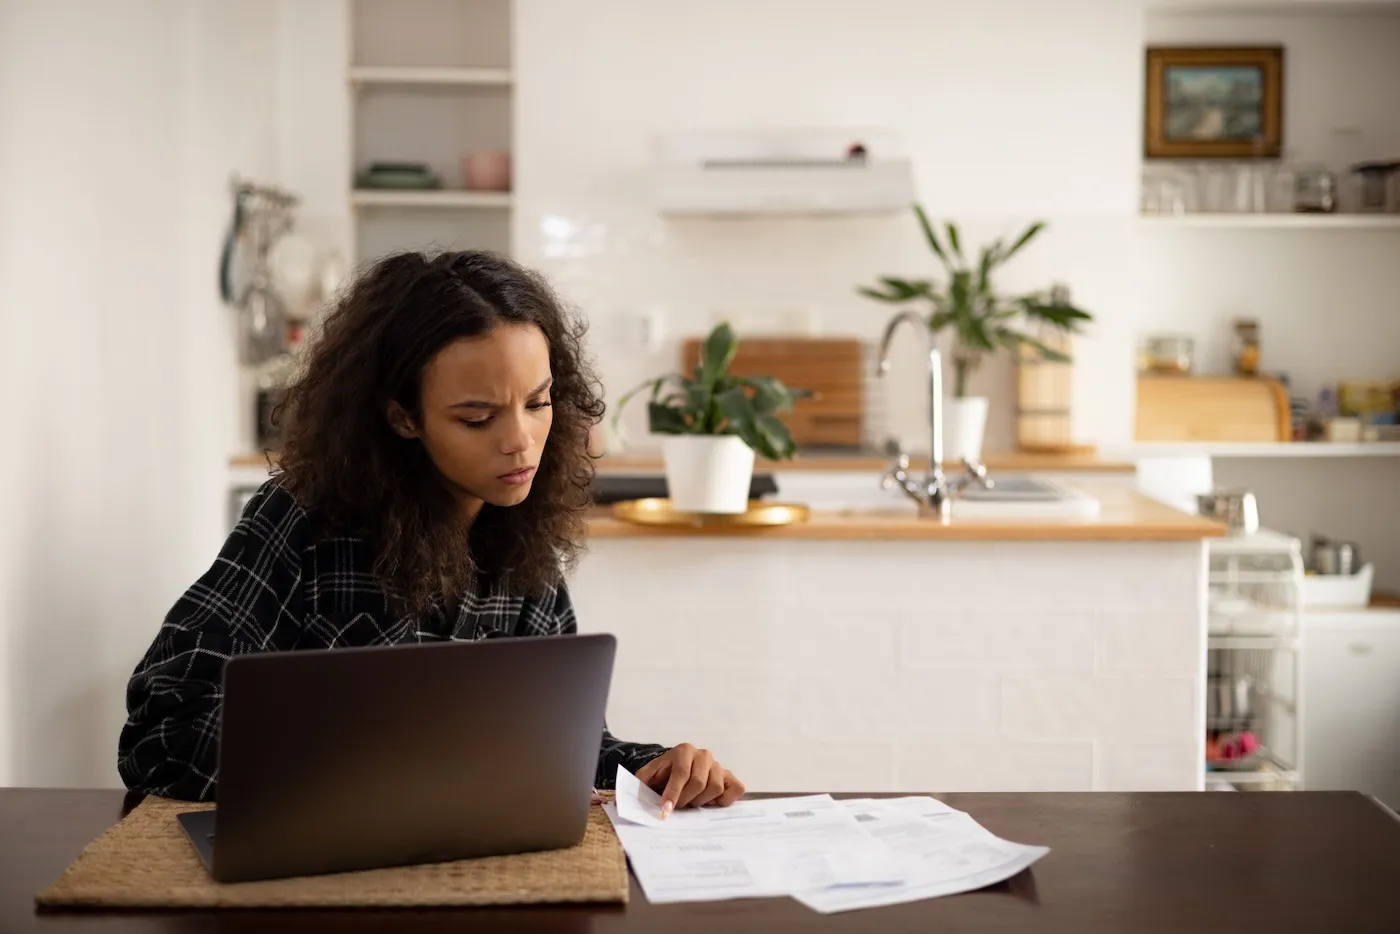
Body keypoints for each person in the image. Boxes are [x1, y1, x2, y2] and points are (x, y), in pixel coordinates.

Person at [118, 249, 744, 814]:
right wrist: (357, 756)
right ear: (402, 417)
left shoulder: (522, 544)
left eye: (538, 402)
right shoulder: (305, 518)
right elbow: (161, 735)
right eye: (477, 418)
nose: (520, 441)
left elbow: (564, 748)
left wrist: (654, 769)